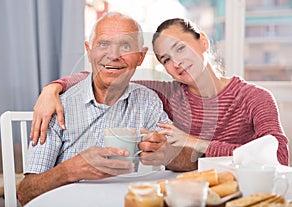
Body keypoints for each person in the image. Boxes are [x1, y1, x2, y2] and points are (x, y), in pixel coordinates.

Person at [30, 18, 290, 168]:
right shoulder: (166, 92)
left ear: (203, 42)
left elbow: (279, 157)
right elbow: (105, 73)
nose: (176, 63)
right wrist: (52, 88)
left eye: (181, 48)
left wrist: (196, 142)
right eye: (166, 58)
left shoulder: (255, 97)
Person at [17, 12, 181, 206]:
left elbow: (181, 158)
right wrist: (71, 170)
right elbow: (25, 193)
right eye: (103, 44)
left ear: (141, 56)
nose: (113, 55)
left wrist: (167, 151)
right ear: (89, 50)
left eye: (126, 46)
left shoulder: (148, 100)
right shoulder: (57, 106)